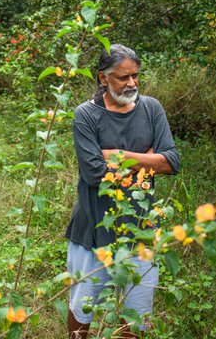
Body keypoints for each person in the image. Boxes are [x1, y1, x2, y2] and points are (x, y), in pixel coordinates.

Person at [66, 44, 180, 338]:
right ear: (103, 78)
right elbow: (95, 175)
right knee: (83, 308)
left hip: (141, 228)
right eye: (122, 77)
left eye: (135, 76)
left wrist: (117, 154)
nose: (131, 83)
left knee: (135, 314)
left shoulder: (152, 108)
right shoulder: (86, 115)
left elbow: (172, 161)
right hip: (93, 228)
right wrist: (148, 158)